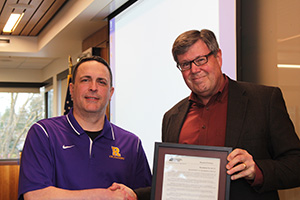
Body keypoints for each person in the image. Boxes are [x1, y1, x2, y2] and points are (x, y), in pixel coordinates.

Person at [162, 29, 300, 199]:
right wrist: (136, 194)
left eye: (200, 60)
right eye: (185, 64)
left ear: (218, 57)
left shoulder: (264, 100)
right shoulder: (171, 118)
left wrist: (256, 170)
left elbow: (296, 165)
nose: (194, 70)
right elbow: (170, 182)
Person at [18, 56, 152, 200]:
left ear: (110, 93)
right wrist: (104, 195)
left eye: (101, 82)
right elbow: (35, 196)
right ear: (72, 88)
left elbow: (145, 195)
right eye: (85, 80)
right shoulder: (44, 134)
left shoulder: (132, 144)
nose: (93, 88)